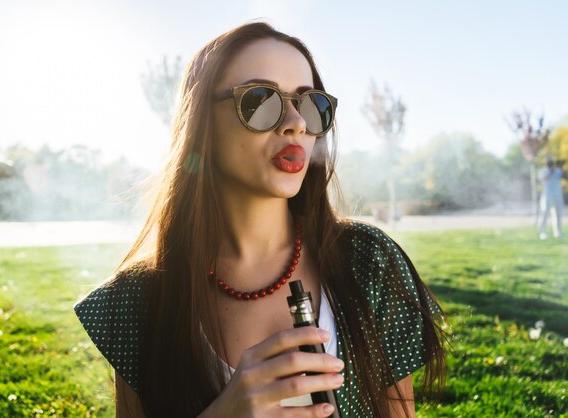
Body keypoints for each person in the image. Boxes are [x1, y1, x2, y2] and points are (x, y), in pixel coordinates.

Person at [74, 22, 447, 418]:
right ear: (201, 123)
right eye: (260, 100)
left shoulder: (369, 260)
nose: (297, 123)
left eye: (310, 104)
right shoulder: (134, 301)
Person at [538, 158, 565, 239]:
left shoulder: (557, 171)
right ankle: (543, 233)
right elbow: (544, 177)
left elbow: (565, 176)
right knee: (544, 213)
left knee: (558, 214)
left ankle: (558, 232)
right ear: (546, 163)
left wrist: (561, 167)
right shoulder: (543, 171)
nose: (550, 164)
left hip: (557, 195)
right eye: (549, 163)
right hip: (547, 195)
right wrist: (552, 170)